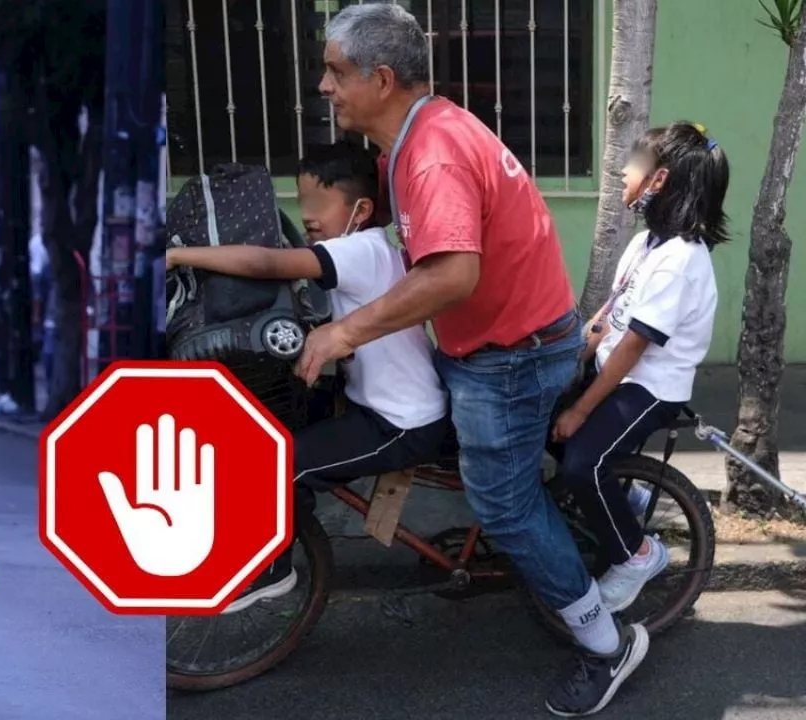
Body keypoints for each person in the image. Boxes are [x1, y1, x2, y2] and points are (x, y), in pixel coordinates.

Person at [297, 5, 640, 716]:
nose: (324, 86)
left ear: (381, 78)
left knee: (503, 505)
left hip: (510, 359)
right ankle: (610, 515)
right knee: (483, 472)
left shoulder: (432, 153)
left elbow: (452, 275)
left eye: (335, 71)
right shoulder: (414, 137)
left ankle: (607, 644)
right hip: (496, 342)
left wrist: (344, 333)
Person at [167, 142, 449, 612]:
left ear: (360, 209)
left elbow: (264, 263)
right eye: (302, 204)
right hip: (370, 403)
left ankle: (272, 569)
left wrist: (178, 258)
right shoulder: (359, 250)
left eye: (320, 204)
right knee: (268, 435)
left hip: (402, 422)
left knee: (282, 465)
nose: (309, 217)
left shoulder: (361, 250)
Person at [551, 121, 727, 615]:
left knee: (583, 462)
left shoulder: (681, 259)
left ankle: (638, 554)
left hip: (649, 388)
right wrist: (568, 363)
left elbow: (633, 348)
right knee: (548, 431)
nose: (622, 171)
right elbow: (607, 322)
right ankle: (622, 507)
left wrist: (581, 410)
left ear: (659, 180)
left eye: (633, 164)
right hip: (619, 374)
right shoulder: (645, 245)